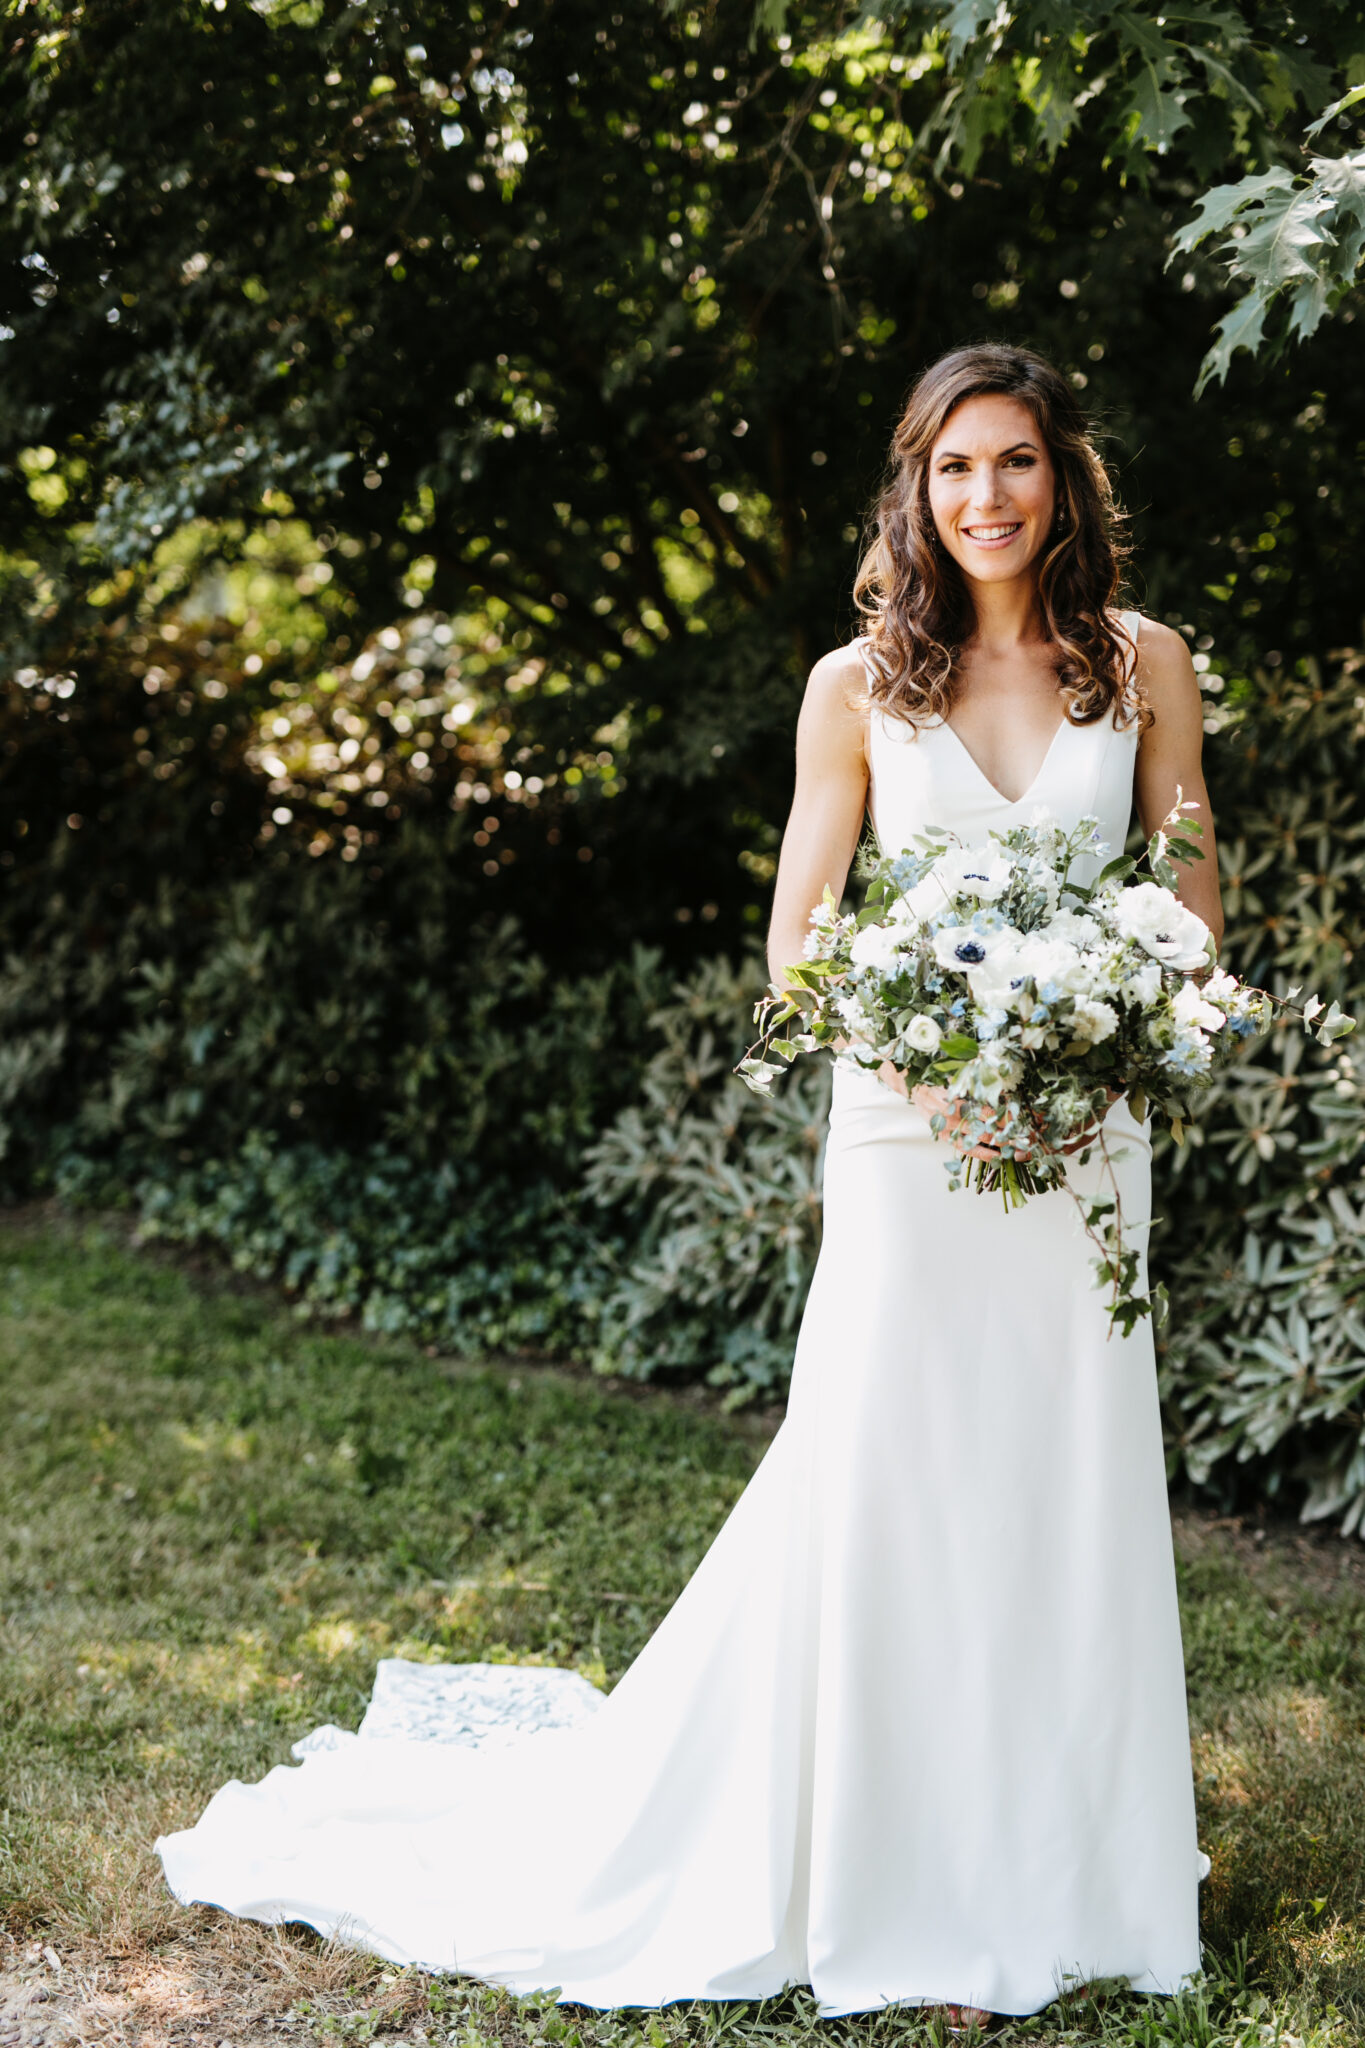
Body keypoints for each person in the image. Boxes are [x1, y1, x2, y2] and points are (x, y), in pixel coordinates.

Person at [158, 343, 1219, 2026]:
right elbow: (801, 944)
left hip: (1086, 1140)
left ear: (1065, 477)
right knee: (890, 1477)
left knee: (1062, 1476)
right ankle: (895, 1875)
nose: (986, 498)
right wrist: (945, 1074)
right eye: (954, 469)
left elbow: (1188, 901)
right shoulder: (856, 685)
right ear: (913, 489)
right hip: (909, 1139)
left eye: (1015, 463)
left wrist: (1092, 1042)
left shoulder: (1143, 663)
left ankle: (1065, 1860)